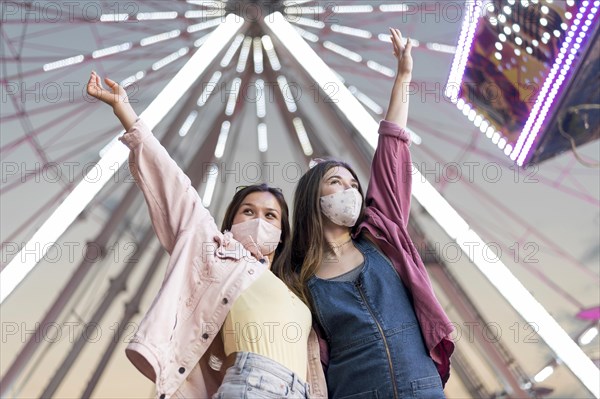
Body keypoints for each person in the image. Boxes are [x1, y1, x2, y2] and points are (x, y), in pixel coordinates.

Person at [86, 72, 327, 399]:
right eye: (248, 211)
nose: (259, 220)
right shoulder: (218, 257)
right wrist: (126, 114)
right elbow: (175, 189)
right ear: (231, 220)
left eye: (270, 216)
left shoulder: (296, 288)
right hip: (252, 385)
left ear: (283, 233)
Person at [273, 29, 454, 398]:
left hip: (421, 387)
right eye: (336, 182)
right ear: (312, 197)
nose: (350, 190)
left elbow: (390, 152)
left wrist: (402, 78)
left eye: (354, 184)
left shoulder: (380, 238)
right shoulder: (295, 279)